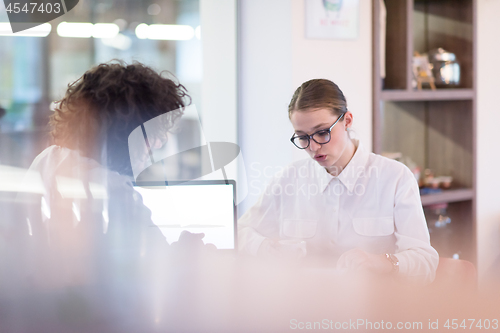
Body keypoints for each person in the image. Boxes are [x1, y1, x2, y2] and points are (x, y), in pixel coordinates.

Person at [7, 61, 205, 331]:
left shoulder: (49, 159)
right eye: (152, 133)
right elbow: (155, 282)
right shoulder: (113, 190)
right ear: (127, 131)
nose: (159, 143)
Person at [238, 79, 439, 284]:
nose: (314, 147)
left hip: (373, 308)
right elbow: (239, 233)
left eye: (322, 133)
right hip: (302, 307)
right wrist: (266, 248)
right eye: (302, 137)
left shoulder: (395, 178)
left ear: (347, 121)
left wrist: (381, 262)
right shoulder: (287, 180)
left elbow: (425, 262)